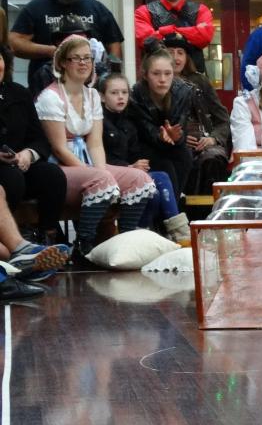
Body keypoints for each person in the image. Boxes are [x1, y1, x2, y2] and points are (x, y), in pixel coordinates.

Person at [36, 36, 155, 261]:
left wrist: (101, 170)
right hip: (58, 167)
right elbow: (59, 148)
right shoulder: (50, 97)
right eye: (76, 58)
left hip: (87, 163)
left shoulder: (91, 95)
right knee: (101, 179)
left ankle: (124, 242)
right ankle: (84, 246)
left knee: (139, 179)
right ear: (62, 62)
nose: (83, 63)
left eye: (88, 58)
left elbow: (95, 143)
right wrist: (96, 174)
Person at [0, 44, 70, 281]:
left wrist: (28, 154)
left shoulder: (19, 93)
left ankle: (45, 237)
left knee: (52, 175)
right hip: (4, 172)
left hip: (20, 162)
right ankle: (24, 254)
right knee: (10, 179)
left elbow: (39, 138)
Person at [9, 0, 123, 93]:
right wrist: (51, 51)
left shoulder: (97, 9)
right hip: (45, 88)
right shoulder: (35, 8)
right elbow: (14, 43)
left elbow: (115, 47)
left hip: (91, 89)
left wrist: (106, 77)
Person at [99, 74, 190, 244]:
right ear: (102, 97)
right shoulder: (100, 121)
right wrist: (129, 166)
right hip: (106, 174)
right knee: (161, 177)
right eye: (114, 93)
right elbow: (99, 155)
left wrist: (138, 164)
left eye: (124, 92)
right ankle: (179, 232)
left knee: (153, 191)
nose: (120, 97)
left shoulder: (129, 123)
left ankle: (144, 233)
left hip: (131, 174)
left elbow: (135, 153)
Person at [126, 41, 197, 201]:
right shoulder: (136, 95)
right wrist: (160, 135)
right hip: (144, 145)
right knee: (166, 166)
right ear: (145, 75)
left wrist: (176, 137)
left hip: (170, 145)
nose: (162, 79)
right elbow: (143, 130)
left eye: (167, 73)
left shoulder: (183, 92)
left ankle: (172, 209)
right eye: (156, 74)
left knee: (185, 157)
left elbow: (180, 130)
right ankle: (171, 216)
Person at [163, 33, 231, 194]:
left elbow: (223, 119)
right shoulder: (156, 83)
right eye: (170, 52)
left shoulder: (200, 81)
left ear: (187, 57)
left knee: (213, 158)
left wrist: (213, 138)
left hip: (204, 141)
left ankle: (209, 213)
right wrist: (177, 139)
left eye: (180, 52)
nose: (176, 58)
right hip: (171, 144)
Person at [134, 0, 213, 74]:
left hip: (195, 78)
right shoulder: (144, 11)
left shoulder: (201, 10)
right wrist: (191, 33)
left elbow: (205, 37)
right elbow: (146, 41)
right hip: (158, 79)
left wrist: (165, 31)